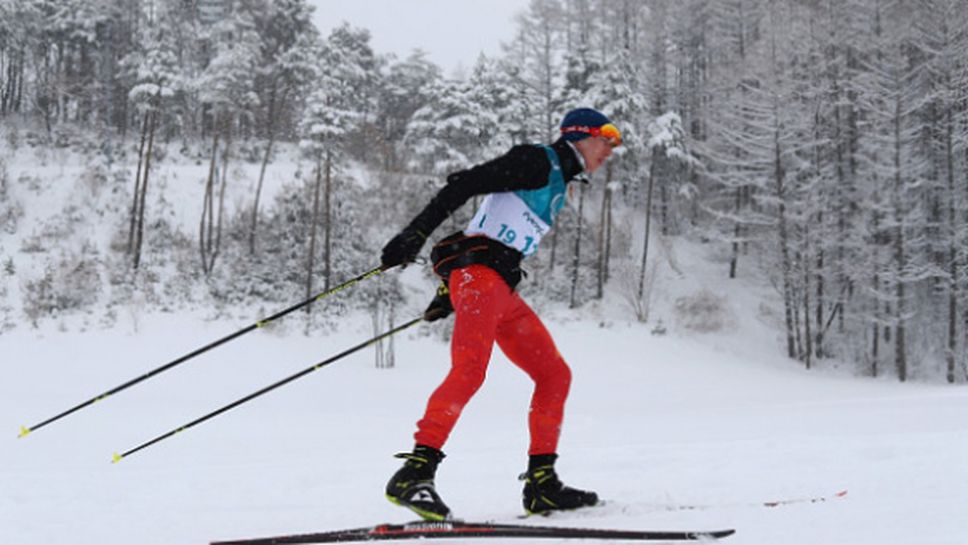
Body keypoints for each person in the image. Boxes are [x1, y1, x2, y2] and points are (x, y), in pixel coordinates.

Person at [380, 108, 622, 520]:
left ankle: (542, 484)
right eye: (606, 140)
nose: (610, 151)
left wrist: (447, 289)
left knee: (554, 374)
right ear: (581, 136)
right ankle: (414, 473)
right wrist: (416, 233)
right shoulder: (536, 161)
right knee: (470, 370)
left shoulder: (559, 180)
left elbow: (487, 229)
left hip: (495, 287)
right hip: (480, 280)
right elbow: (465, 184)